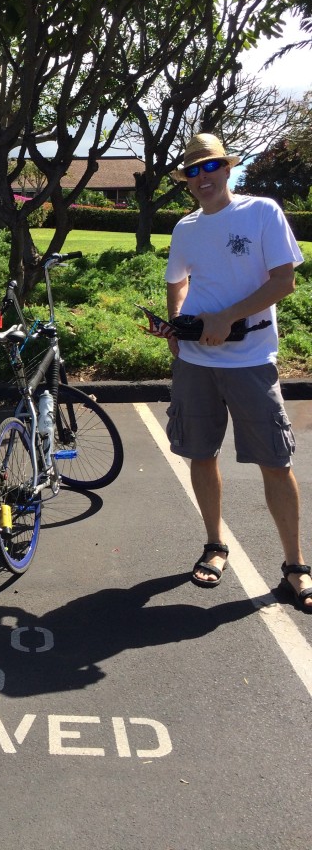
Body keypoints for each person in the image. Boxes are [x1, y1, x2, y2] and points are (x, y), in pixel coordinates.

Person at [165, 132, 312, 613]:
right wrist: (176, 333)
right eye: (192, 171)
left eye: (209, 167)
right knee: (200, 455)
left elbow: (284, 281)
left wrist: (228, 317)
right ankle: (215, 544)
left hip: (250, 361)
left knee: (275, 461)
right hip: (196, 364)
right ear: (186, 180)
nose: (202, 177)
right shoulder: (186, 228)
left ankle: (295, 566)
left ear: (227, 169)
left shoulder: (261, 211)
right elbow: (177, 282)